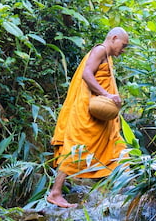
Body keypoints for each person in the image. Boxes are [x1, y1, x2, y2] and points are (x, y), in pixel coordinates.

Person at [46, 27, 130, 208]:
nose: (123, 50)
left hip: (99, 118)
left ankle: (126, 194)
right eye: (123, 45)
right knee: (76, 151)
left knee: (118, 148)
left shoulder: (107, 57)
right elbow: (86, 74)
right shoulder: (100, 50)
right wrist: (107, 95)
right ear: (114, 38)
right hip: (86, 115)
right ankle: (55, 192)